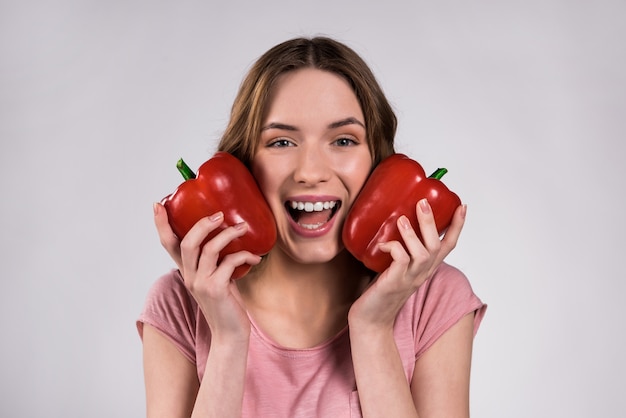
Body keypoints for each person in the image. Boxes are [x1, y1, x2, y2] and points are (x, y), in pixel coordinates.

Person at [137, 36, 486, 418]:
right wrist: (228, 339)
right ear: (243, 163)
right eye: (282, 141)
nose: (311, 173)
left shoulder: (435, 298)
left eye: (343, 140)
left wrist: (372, 331)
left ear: (378, 160)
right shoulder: (180, 303)